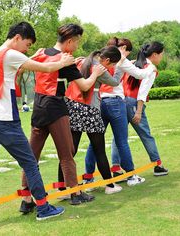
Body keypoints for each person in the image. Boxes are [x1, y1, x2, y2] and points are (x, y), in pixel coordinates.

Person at [0, 21, 75, 233]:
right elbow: (46, 68)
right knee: (30, 163)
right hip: (5, 122)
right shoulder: (11, 54)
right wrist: (63, 60)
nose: (27, 49)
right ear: (17, 37)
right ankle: (43, 208)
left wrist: (29, 57)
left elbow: (11, 69)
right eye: (26, 44)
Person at [20, 23, 105, 212]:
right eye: (76, 42)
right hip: (56, 108)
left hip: (38, 107)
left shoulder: (42, 52)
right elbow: (84, 86)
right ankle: (75, 194)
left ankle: (26, 199)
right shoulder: (66, 60)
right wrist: (96, 74)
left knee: (31, 156)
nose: (76, 47)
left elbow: (25, 63)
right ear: (69, 41)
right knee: (67, 153)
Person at [84, 37, 156, 186]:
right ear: (123, 50)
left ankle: (88, 176)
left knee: (95, 142)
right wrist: (151, 67)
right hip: (116, 103)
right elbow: (139, 74)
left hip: (100, 101)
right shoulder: (120, 61)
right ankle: (131, 176)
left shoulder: (100, 60)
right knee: (122, 141)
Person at [58, 46, 125, 195]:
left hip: (72, 107)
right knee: (99, 149)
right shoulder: (99, 68)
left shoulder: (82, 61)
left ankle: (62, 188)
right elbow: (114, 82)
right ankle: (110, 186)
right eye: (112, 64)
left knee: (70, 151)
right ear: (107, 60)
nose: (112, 67)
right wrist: (121, 65)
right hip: (90, 110)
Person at [112, 41, 168, 176]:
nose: (162, 57)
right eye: (161, 55)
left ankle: (116, 168)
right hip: (133, 103)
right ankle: (157, 165)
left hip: (121, 100)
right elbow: (142, 92)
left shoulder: (132, 64)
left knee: (118, 136)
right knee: (146, 135)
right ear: (155, 54)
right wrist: (138, 111)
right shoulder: (151, 68)